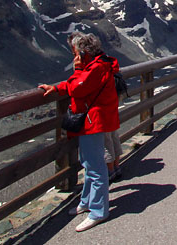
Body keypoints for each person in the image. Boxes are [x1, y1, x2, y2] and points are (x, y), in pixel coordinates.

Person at [39, 32, 119, 233]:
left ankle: (99, 211)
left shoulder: (95, 68)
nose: (73, 56)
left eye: (75, 52)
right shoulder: (96, 65)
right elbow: (77, 85)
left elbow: (78, 87)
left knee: (96, 167)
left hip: (93, 122)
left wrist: (76, 69)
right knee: (88, 163)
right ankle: (86, 201)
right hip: (91, 121)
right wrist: (56, 87)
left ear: (84, 53)